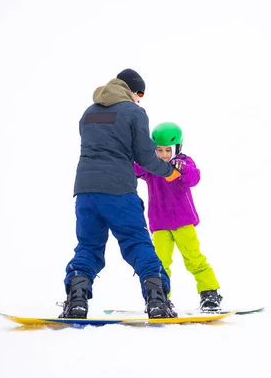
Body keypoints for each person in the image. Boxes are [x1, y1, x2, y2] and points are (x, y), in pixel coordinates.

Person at [59, 69, 181, 319]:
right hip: (119, 192)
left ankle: (77, 300)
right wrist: (168, 171)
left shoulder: (89, 113)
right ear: (131, 90)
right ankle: (157, 300)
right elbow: (146, 157)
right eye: (140, 93)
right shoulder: (135, 112)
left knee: (88, 246)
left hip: (85, 191)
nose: (139, 99)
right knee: (137, 242)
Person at [133, 122, 223, 312]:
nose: (164, 154)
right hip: (159, 225)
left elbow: (195, 178)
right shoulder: (152, 166)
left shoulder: (184, 162)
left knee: (193, 258)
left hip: (183, 223)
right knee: (160, 262)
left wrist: (183, 169)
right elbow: (135, 169)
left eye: (168, 150)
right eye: (159, 150)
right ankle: (160, 297)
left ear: (178, 147)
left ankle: (209, 293)